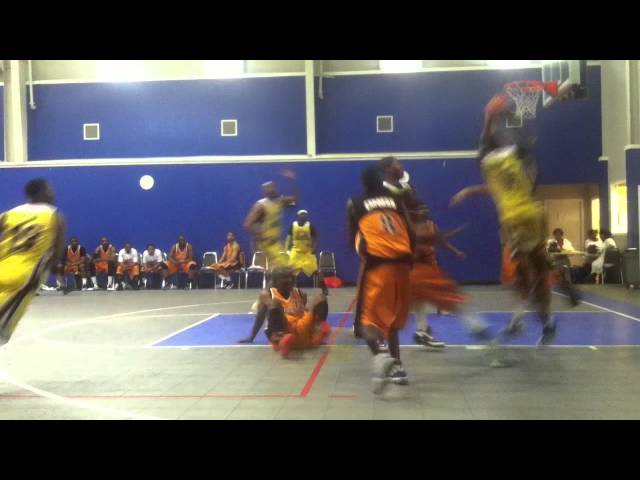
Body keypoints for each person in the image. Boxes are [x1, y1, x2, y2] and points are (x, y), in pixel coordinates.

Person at [451, 92, 562, 345]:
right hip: (531, 213)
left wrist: (490, 115)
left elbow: (486, 140)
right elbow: (493, 146)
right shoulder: (518, 164)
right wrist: (496, 116)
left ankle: (525, 318)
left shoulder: (492, 161)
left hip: (515, 219)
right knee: (535, 270)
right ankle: (543, 319)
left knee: (525, 275)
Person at [348, 166, 414, 392]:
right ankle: (399, 368)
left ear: (363, 184)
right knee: (392, 320)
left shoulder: (355, 203)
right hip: (404, 263)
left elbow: (351, 238)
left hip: (378, 263)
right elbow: (411, 232)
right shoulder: (395, 199)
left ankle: (383, 359)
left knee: (363, 324)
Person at [0, 179, 66, 345]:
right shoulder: (55, 216)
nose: (53, 193)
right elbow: (56, 251)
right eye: (50, 190)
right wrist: (53, 267)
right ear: (41, 192)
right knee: (1, 332)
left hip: (2, 268)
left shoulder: (7, 214)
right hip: (24, 277)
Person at [237, 267, 331, 358]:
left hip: (300, 331)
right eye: (285, 277)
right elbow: (260, 316)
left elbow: (308, 312)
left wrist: (313, 324)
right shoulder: (267, 294)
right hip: (286, 332)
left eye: (291, 277)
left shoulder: (300, 293)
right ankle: (280, 340)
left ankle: (316, 332)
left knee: (320, 298)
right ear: (275, 281)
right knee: (274, 303)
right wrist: (251, 337)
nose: (289, 280)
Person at [244, 170, 298, 270]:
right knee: (282, 269)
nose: (271, 189)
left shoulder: (279, 201)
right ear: (264, 191)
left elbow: (295, 199)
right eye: (268, 188)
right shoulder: (261, 205)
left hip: (275, 243)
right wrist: (261, 237)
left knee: (285, 269)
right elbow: (247, 224)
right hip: (265, 245)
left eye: (273, 187)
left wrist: (291, 182)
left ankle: (273, 279)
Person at [285, 210, 328, 295]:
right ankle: (290, 289)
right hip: (296, 252)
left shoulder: (310, 226)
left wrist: (314, 248)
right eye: (302, 214)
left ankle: (324, 287)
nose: (304, 216)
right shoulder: (293, 225)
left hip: (307, 252)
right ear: (298, 216)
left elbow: (315, 238)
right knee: (290, 271)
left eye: (305, 215)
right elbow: (288, 238)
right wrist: (287, 249)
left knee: (316, 271)